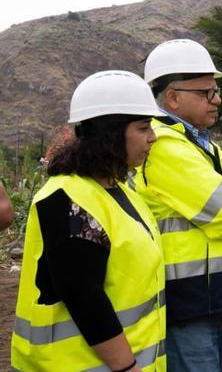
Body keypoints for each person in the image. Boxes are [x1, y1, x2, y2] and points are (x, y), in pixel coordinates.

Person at [12, 70, 166, 371]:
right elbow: (84, 297)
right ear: (110, 133)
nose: (153, 137)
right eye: (143, 127)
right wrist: (126, 367)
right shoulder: (66, 201)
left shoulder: (118, 190)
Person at [134, 39, 222, 372]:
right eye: (206, 92)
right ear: (173, 97)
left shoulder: (197, 143)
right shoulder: (164, 146)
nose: (217, 99)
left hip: (211, 293)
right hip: (188, 297)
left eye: (216, 90)